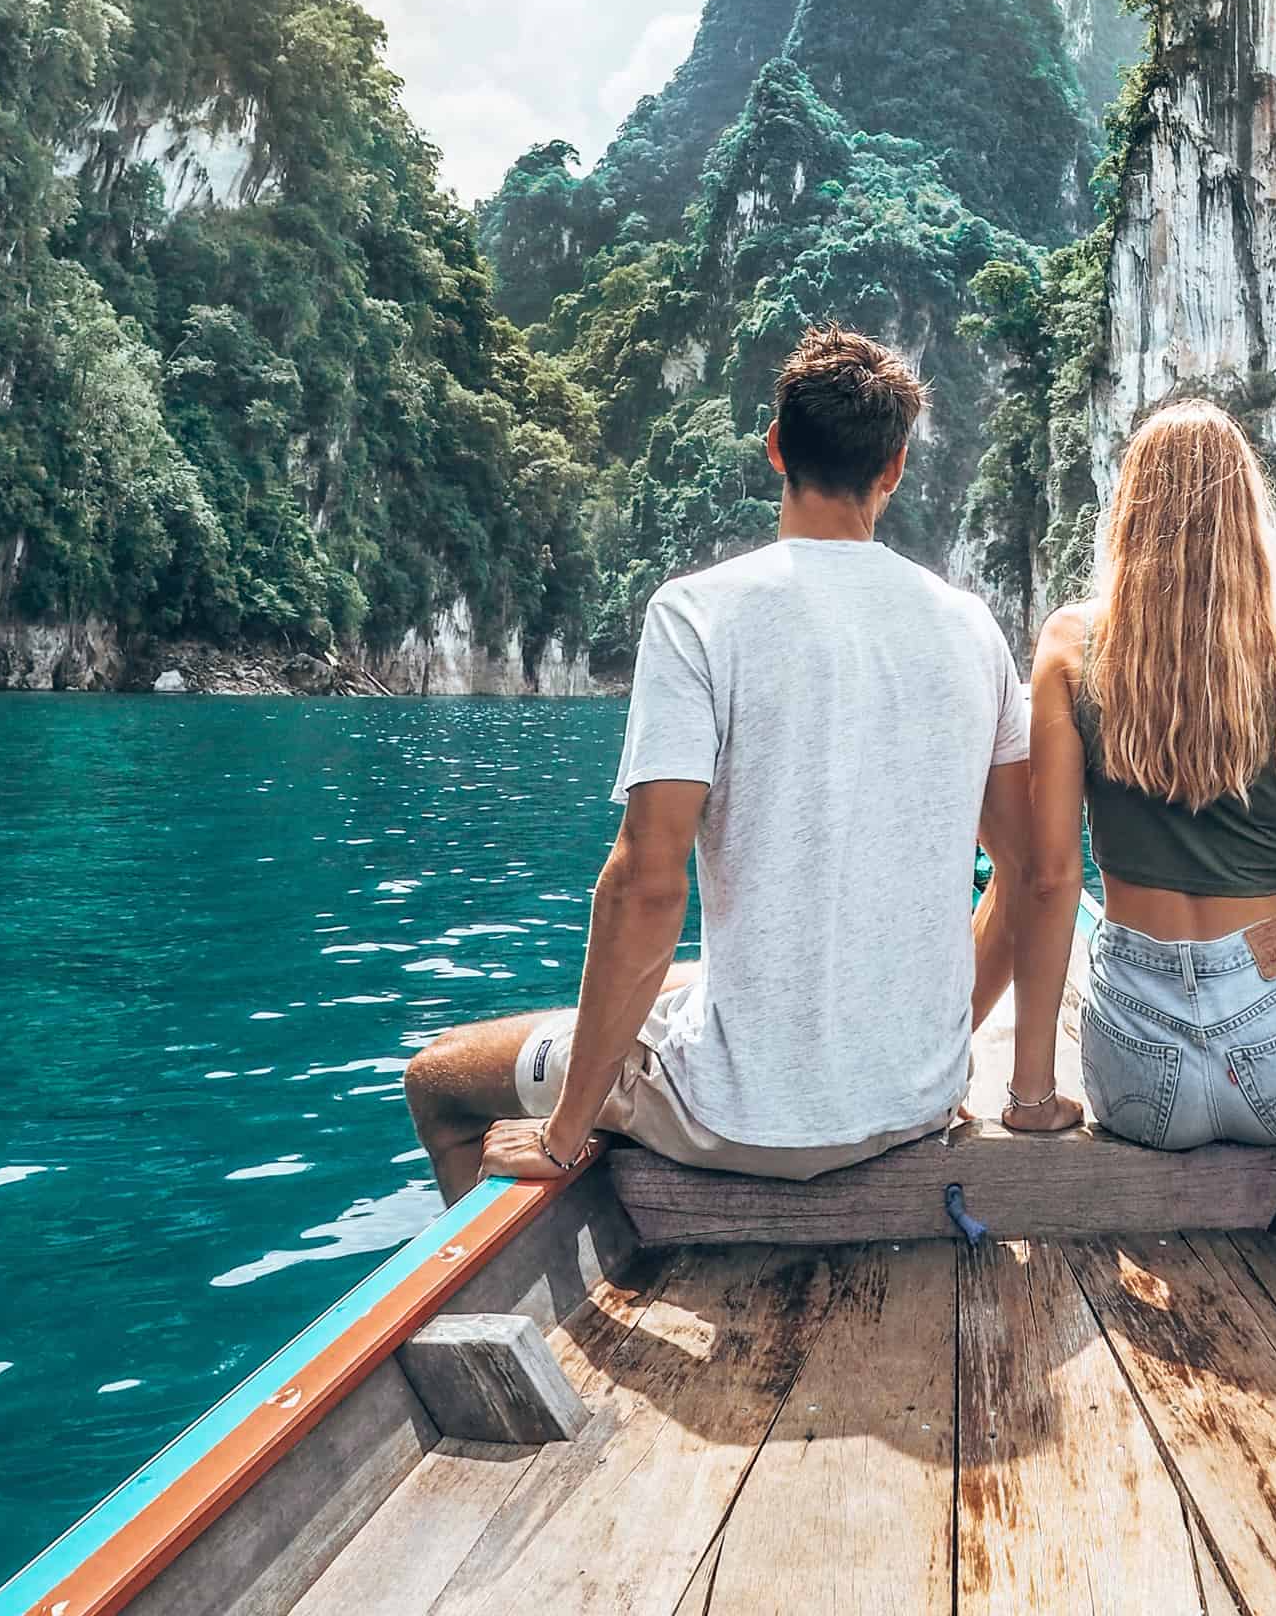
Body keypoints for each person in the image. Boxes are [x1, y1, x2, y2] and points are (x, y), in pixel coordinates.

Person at [404, 324, 1032, 1201]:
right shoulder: (973, 628)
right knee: (698, 978)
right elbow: (1031, 874)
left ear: (775, 448)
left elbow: (645, 885)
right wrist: (936, 1048)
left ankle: (497, 1255)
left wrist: (564, 1132)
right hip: (921, 1100)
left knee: (438, 1080)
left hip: (742, 1120)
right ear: (893, 468)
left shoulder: (698, 614)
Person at [1001, 397, 1276, 1188]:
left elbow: (1048, 882)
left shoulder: (1072, 651)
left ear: (1128, 517)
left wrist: (1032, 1094)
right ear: (1250, 520)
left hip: (1140, 1076)